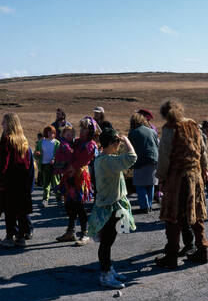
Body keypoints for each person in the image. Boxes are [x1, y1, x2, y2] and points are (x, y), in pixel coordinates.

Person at [155, 99, 208, 269]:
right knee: (196, 212)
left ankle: (171, 256)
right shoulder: (194, 124)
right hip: (195, 176)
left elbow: (164, 157)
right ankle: (202, 250)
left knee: (173, 216)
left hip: (176, 178)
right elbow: (202, 149)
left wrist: (161, 178)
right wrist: (205, 168)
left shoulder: (169, 129)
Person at [86, 128, 137, 289]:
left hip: (109, 204)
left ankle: (108, 269)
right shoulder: (108, 161)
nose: (119, 143)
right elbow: (132, 157)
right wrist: (127, 140)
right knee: (107, 242)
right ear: (109, 143)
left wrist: (118, 141)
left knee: (109, 240)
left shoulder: (104, 158)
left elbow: (124, 158)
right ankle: (105, 275)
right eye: (116, 141)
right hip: (110, 207)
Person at [0, 113, 35, 247]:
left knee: (9, 210)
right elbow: (29, 164)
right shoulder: (23, 140)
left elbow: (4, 162)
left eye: (4, 122)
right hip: (22, 181)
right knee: (21, 210)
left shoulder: (7, 139)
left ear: (9, 124)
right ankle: (21, 237)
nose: (2, 124)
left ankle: (10, 237)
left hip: (9, 181)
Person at [54, 119, 98, 245]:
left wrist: (71, 168)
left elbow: (83, 161)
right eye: (82, 128)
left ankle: (85, 233)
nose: (82, 131)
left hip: (79, 178)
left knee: (79, 205)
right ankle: (70, 231)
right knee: (70, 204)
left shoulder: (90, 144)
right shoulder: (78, 142)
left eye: (85, 129)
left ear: (91, 131)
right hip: (70, 176)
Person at [128, 112, 159, 214]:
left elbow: (130, 149)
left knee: (140, 185)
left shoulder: (133, 133)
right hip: (154, 160)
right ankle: (149, 205)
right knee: (150, 185)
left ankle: (144, 206)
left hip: (140, 161)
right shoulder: (152, 131)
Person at [34, 125, 60, 205]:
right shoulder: (41, 142)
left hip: (54, 166)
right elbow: (35, 154)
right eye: (48, 132)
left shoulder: (57, 143)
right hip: (45, 165)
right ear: (45, 133)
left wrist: (54, 159)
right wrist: (37, 154)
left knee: (56, 183)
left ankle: (58, 199)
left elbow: (59, 154)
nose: (50, 134)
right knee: (46, 184)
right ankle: (45, 199)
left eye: (52, 132)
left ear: (54, 133)